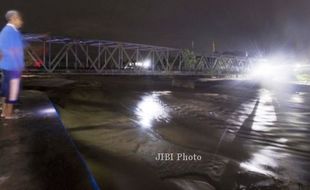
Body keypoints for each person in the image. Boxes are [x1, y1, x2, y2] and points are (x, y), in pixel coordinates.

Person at [0, 10, 25, 119]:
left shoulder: (13, 31)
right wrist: (18, 65)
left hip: (9, 66)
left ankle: (4, 112)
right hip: (12, 66)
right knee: (12, 90)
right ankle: (8, 115)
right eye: (20, 19)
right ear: (13, 18)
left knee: (7, 89)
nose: (22, 22)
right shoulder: (8, 32)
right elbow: (9, 50)